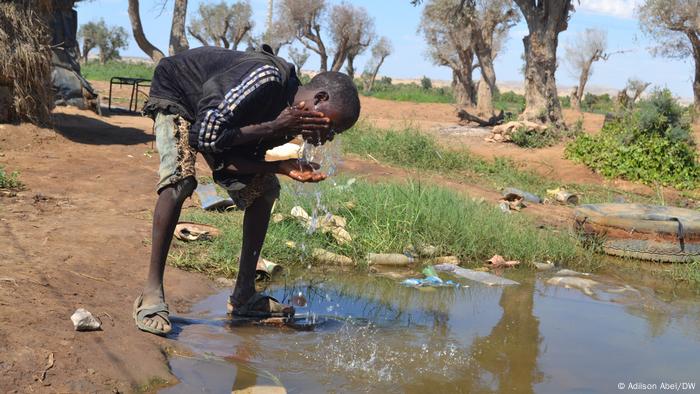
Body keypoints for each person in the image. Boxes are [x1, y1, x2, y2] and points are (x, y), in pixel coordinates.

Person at [133, 45, 361, 335]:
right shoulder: (265, 79)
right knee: (181, 180)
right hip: (180, 94)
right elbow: (204, 135)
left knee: (265, 191)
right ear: (319, 99)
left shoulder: (290, 120)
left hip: (213, 122)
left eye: (333, 135)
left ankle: (244, 296)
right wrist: (274, 126)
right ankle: (151, 292)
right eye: (330, 126)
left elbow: (227, 162)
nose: (326, 138)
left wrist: (279, 168)